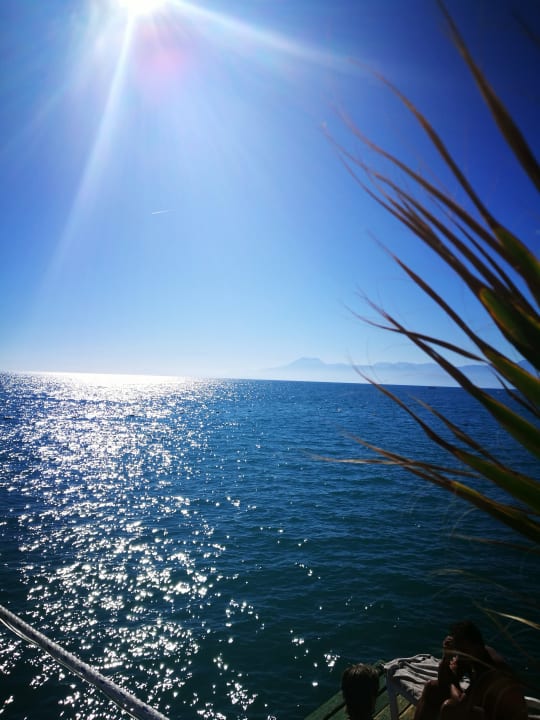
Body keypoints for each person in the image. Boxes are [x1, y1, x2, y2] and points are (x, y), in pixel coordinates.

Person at [414, 620, 528, 720]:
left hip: (500, 717)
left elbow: (462, 703)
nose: (459, 654)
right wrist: (446, 656)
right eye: (457, 649)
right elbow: (443, 683)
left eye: (462, 649)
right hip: (486, 708)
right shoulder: (470, 654)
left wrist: (453, 681)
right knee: (431, 687)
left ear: (477, 645)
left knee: (450, 707)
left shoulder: (490, 669)